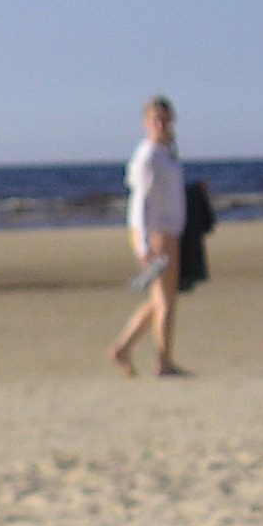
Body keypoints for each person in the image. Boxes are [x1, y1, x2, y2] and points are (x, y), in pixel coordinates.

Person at [111, 96, 187, 376]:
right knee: (165, 300)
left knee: (161, 299)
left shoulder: (166, 152)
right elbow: (141, 202)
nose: (161, 123)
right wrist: (144, 244)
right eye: (155, 118)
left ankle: (125, 348)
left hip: (169, 230)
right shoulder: (149, 155)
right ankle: (163, 361)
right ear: (146, 122)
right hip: (156, 233)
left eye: (165, 118)